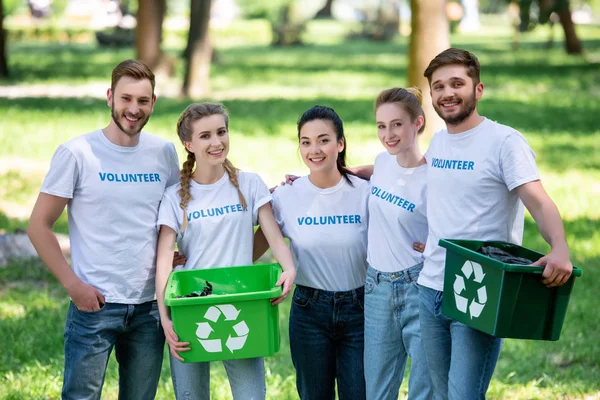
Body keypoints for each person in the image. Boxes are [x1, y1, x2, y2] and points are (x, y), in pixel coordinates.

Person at [417, 47, 574, 399]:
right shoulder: (440, 141)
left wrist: (559, 248)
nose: (447, 93)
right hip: (429, 287)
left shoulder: (504, 142)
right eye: (439, 86)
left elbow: (538, 200)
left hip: (479, 288)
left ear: (478, 89)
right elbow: (420, 180)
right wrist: (351, 172)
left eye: (457, 83)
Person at [27, 59, 180, 399]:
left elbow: (177, 218)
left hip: (150, 307)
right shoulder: (77, 153)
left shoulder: (164, 153)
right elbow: (39, 226)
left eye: (142, 101)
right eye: (126, 98)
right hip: (94, 305)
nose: (133, 109)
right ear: (110, 97)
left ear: (153, 102)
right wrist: (74, 286)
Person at [154, 102, 296, 400]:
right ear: (189, 144)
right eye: (205, 136)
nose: (216, 142)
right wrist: (165, 317)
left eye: (221, 132)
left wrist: (289, 269)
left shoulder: (249, 184)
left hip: (241, 301)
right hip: (191, 306)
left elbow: (272, 233)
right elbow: (164, 259)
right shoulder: (175, 197)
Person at [254, 106, 370, 400]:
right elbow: (252, 248)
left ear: (340, 143)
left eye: (323, 140)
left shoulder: (365, 192)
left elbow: (397, 168)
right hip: (309, 311)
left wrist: (351, 171)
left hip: (361, 309)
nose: (314, 150)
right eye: (306, 142)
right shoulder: (286, 196)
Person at [364, 88, 433, 399]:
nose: (388, 134)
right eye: (381, 126)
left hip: (418, 285)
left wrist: (432, 244)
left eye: (396, 125)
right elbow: (371, 174)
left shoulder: (433, 178)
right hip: (376, 286)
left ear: (417, 123)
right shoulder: (382, 162)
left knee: (424, 387)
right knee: (377, 390)